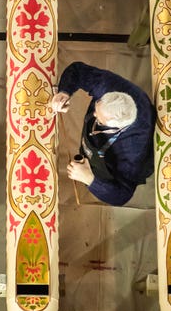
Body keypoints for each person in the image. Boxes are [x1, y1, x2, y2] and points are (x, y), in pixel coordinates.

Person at [51, 61, 155, 206]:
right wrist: (64, 92)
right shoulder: (110, 87)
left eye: (98, 118)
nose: (93, 114)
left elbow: (122, 195)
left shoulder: (132, 149)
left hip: (110, 162)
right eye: (96, 106)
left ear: (115, 126)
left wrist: (89, 178)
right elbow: (78, 70)